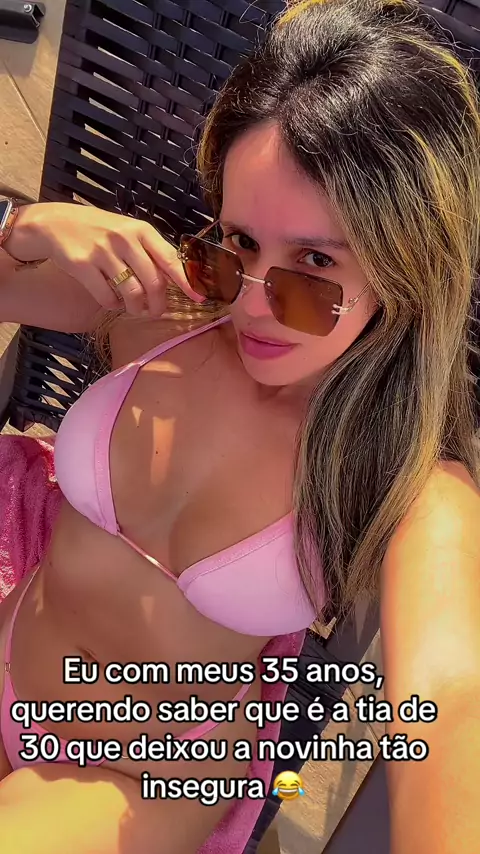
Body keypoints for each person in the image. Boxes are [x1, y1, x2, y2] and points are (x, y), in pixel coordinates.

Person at [0, 0, 479, 852]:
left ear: (403, 267)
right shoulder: (173, 308)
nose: (252, 302)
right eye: (237, 243)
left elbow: (451, 696)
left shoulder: (400, 476)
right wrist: (16, 226)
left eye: (314, 266)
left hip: (146, 778)